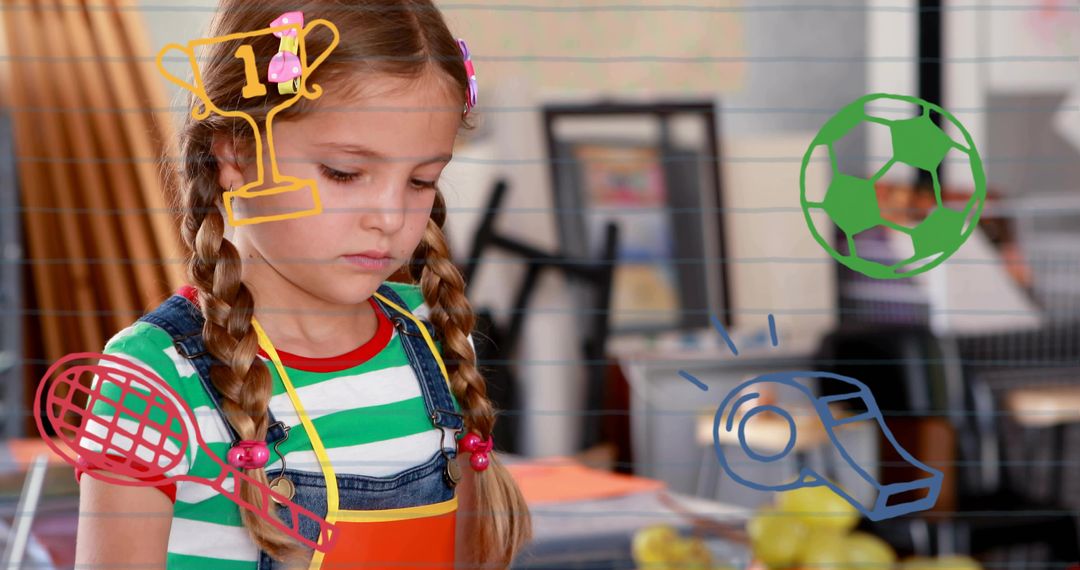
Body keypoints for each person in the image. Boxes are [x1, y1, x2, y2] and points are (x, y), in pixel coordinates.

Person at [72, 1, 532, 568]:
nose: (389, 216)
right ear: (236, 155)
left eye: (420, 181)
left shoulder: (432, 340)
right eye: (344, 173)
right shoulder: (156, 376)